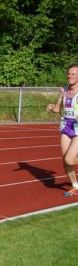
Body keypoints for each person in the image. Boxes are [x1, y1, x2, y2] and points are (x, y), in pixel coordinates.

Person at [46, 63, 78, 197]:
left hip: (77, 128)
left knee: (70, 160)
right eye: (68, 74)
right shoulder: (63, 90)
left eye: (73, 74)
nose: (70, 76)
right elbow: (58, 108)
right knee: (65, 161)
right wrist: (52, 107)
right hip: (66, 126)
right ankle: (75, 186)